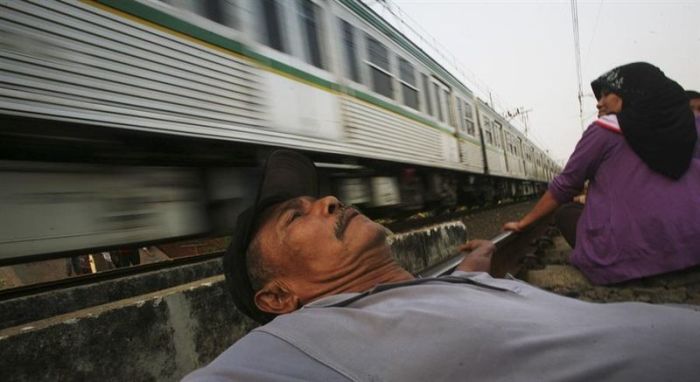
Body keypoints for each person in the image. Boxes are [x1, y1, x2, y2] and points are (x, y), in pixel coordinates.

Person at [183, 149, 700, 382]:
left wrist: (477, 267)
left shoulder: (430, 287)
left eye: (316, 199)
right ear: (278, 299)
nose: (329, 203)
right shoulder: (292, 344)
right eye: (296, 216)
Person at [504, 62, 700, 285]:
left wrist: (523, 223)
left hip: (623, 258)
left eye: (607, 94)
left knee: (566, 213)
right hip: (691, 249)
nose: (599, 103)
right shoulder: (691, 126)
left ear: (630, 93)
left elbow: (565, 185)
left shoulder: (604, 131)